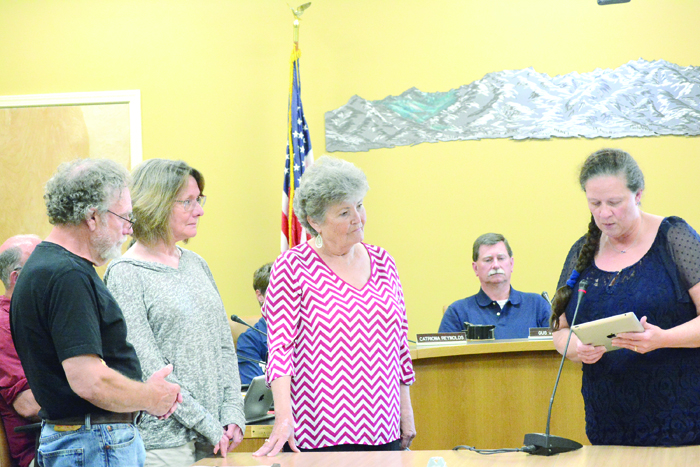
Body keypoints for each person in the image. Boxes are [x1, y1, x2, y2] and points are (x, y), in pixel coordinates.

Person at [10, 158, 182, 467]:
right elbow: (89, 381)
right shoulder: (67, 276)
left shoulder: (42, 268)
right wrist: (149, 397)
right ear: (93, 217)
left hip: (79, 440)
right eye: (123, 217)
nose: (128, 228)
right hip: (92, 443)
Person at [254, 156, 416, 457]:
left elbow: (399, 344)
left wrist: (406, 410)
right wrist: (283, 419)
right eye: (344, 212)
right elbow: (280, 350)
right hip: (320, 435)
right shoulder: (292, 266)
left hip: (384, 429)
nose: (358, 218)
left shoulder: (383, 261)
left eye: (360, 205)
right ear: (315, 221)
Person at [551, 148, 700, 446]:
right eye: (594, 203)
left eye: (614, 202)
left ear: (638, 194)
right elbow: (559, 330)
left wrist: (662, 338)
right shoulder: (583, 250)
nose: (604, 213)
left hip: (681, 418)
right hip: (607, 422)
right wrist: (576, 349)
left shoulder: (674, 237)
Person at [104, 159, 245, 467]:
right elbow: (147, 366)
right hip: (164, 445)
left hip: (215, 437)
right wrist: (208, 424)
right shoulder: (126, 273)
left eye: (199, 200)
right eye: (188, 202)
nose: (199, 210)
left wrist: (234, 411)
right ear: (157, 204)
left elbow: (224, 346)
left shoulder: (196, 264)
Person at [438, 233, 550, 339]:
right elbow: (443, 357)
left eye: (501, 258)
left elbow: (559, 352)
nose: (496, 265)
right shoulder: (457, 312)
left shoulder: (537, 305)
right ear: (475, 268)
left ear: (511, 263)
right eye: (488, 260)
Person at [0, 235, 41, 467]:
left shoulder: (42, 317)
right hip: (43, 450)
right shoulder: (3, 324)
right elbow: (29, 405)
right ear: (17, 278)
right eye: (42, 268)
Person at [237, 262, 272, 385]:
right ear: (260, 295)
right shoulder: (249, 341)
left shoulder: (304, 331)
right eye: (276, 291)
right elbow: (258, 392)